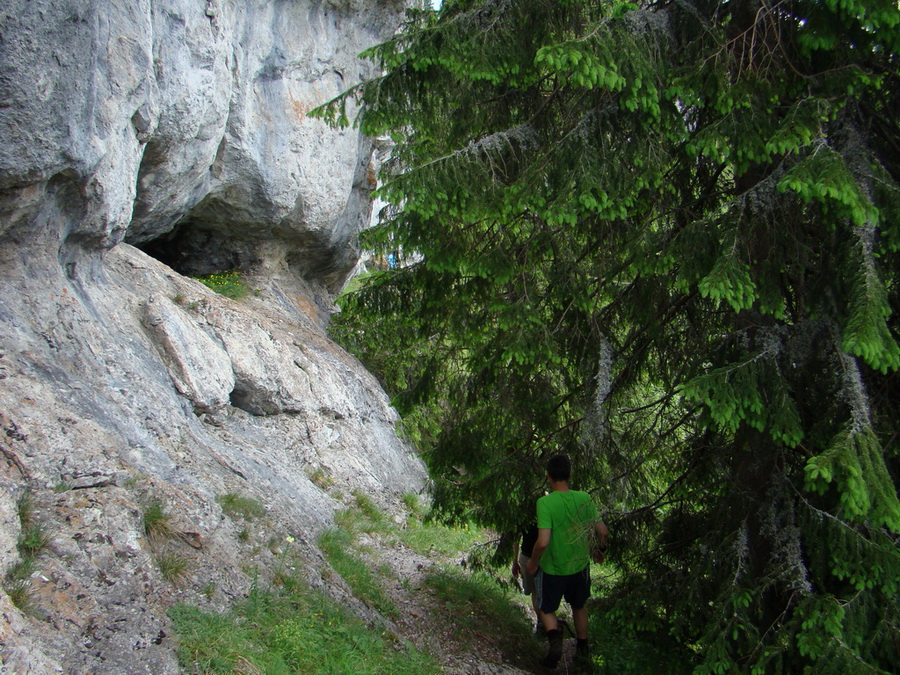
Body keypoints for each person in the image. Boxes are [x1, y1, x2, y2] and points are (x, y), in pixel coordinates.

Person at [526, 454, 608, 669]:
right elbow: (602, 531)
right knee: (579, 606)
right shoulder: (584, 498)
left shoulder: (545, 502)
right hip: (580, 567)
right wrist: (599, 551)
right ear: (570, 475)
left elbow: (542, 542)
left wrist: (533, 562)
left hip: (553, 569)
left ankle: (555, 644)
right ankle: (582, 650)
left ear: (548, 477)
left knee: (544, 607)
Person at [511, 518, 544, 634]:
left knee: (535, 591)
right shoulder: (548, 509)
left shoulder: (524, 514)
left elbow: (516, 539)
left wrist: (515, 561)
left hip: (528, 557)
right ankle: (544, 622)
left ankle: (541, 623)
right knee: (541, 591)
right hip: (545, 557)